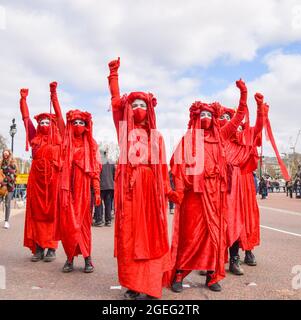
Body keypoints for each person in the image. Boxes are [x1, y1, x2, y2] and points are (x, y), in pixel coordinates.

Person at [169, 79, 247, 293]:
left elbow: (239, 117)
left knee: (214, 235)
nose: (206, 118)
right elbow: (177, 164)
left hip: (215, 196)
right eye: (202, 115)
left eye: (209, 115)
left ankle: (212, 276)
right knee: (190, 235)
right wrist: (179, 189)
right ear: (195, 118)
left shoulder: (221, 136)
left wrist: (243, 95)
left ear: (214, 118)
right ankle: (179, 272)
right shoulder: (189, 139)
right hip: (194, 196)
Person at [108, 57, 176, 300]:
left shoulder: (157, 138)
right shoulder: (124, 131)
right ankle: (134, 284)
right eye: (134, 104)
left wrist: (168, 192)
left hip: (149, 194)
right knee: (129, 238)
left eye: (143, 105)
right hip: (129, 193)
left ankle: (149, 283)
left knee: (150, 239)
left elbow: (162, 168)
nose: (138, 108)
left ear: (150, 110)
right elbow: (116, 106)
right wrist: (114, 76)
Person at [219, 92, 265, 275]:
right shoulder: (218, 137)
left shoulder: (243, 137)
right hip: (221, 182)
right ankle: (213, 258)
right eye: (221, 117)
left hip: (241, 181)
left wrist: (260, 108)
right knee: (220, 219)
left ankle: (244, 252)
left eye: (227, 117)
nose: (224, 119)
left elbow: (258, 128)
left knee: (242, 217)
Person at [20, 83, 63, 262]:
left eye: (47, 122)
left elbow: (60, 116)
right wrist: (23, 100)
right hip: (36, 183)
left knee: (52, 214)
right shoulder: (34, 138)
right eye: (42, 122)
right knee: (36, 214)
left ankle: (51, 247)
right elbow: (26, 120)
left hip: (53, 182)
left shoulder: (59, 138)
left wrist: (53, 95)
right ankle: (38, 247)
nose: (44, 124)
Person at [56, 109, 101, 273]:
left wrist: (97, 191)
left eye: (81, 122)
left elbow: (95, 170)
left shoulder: (91, 145)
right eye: (74, 122)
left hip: (84, 193)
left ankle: (87, 258)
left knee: (83, 226)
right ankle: (69, 259)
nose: (77, 125)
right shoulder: (66, 143)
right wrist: (53, 95)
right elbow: (59, 119)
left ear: (87, 125)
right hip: (68, 192)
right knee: (68, 226)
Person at [93, 150, 115, 227]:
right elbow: (114, 174)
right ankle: (108, 220)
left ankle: (99, 220)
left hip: (101, 185)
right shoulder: (111, 161)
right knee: (108, 204)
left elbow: (97, 173)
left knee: (98, 203)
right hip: (110, 186)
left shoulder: (98, 161)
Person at [0, 149, 17, 229]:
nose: (5, 155)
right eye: (4, 154)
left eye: (6, 154)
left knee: (7, 203)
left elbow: (14, 173)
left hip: (10, 186)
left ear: (9, 154)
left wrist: (8, 176)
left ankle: (6, 221)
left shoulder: (13, 162)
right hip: (2, 185)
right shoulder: (1, 162)